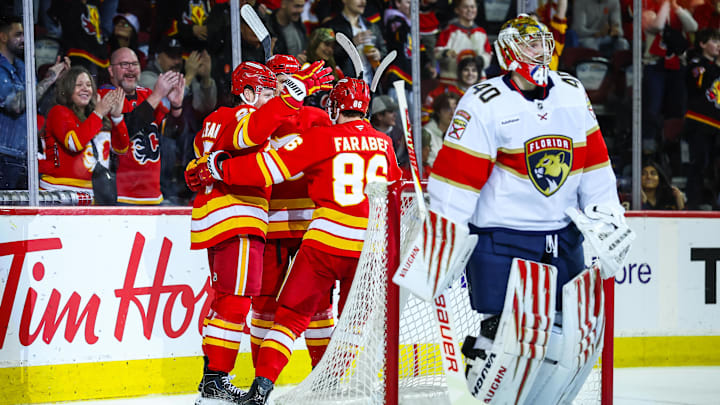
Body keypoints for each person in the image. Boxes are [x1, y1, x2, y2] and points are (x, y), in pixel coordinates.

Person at [426, 15, 624, 402]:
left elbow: (595, 165)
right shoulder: (484, 101)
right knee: (506, 343)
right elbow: (456, 180)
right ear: (507, 50)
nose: (539, 51)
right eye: (530, 43)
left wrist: (606, 217)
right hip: (502, 240)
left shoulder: (570, 90)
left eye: (542, 43)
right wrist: (444, 238)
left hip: (563, 238)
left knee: (572, 342)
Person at [186, 78, 401, 405]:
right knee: (352, 323)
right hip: (371, 248)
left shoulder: (324, 137)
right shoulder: (384, 143)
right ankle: (333, 382)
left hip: (326, 241)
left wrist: (221, 168)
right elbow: (397, 192)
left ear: (335, 106)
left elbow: (266, 169)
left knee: (290, 316)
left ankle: (262, 388)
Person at [184, 60, 333, 404]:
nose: (271, 98)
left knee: (230, 302)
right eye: (266, 91)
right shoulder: (238, 116)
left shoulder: (212, 119)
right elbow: (251, 131)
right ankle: (214, 382)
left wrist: (202, 169)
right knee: (235, 304)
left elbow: (200, 165)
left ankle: (213, 382)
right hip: (237, 216)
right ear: (249, 92)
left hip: (223, 217)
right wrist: (293, 94)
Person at [249, 54, 336, 371]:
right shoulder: (260, 116)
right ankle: (262, 380)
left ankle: (322, 377)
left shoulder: (310, 116)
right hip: (272, 226)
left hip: (308, 227)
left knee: (317, 305)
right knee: (265, 306)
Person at [100, 47, 185, 205]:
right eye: (124, 64)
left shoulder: (146, 94)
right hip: (120, 196)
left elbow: (171, 134)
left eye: (135, 64)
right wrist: (157, 95)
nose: (131, 69)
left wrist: (176, 107)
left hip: (153, 196)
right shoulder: (105, 95)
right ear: (111, 71)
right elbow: (124, 132)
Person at [0, 15, 70, 190]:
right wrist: (49, 79)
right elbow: (15, 105)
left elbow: (36, 104)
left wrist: (56, 81)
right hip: (4, 154)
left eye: (25, 34)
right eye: (18, 34)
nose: (23, 39)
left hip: (25, 154)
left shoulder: (23, 66)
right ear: (3, 37)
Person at [39, 66, 128, 197]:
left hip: (94, 193)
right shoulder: (58, 112)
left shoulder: (96, 117)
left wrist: (117, 118)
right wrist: (98, 113)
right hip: (58, 191)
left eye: (88, 85)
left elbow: (122, 148)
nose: (85, 89)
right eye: (79, 85)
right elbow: (74, 144)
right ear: (67, 89)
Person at [682, 28, 720, 210]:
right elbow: (700, 84)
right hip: (699, 122)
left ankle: (712, 199)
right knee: (700, 162)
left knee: (714, 165)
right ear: (702, 44)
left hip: (717, 125)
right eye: (714, 41)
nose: (718, 45)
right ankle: (694, 200)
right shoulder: (696, 64)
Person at [323, 0, 387, 84]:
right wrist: (351, 43)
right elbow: (326, 57)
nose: (363, 2)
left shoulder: (371, 26)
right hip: (345, 86)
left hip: (371, 85)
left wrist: (378, 54)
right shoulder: (332, 26)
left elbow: (384, 51)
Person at [434, 0, 492, 85]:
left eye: (472, 7)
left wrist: (482, 60)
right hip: (452, 83)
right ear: (457, 10)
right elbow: (437, 53)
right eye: (465, 7)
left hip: (477, 84)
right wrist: (446, 53)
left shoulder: (481, 32)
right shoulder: (449, 30)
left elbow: (488, 54)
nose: (470, 10)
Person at [422, 91, 460, 167]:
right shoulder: (427, 132)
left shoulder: (459, 132)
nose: (452, 113)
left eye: (455, 109)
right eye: (448, 109)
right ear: (438, 111)